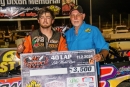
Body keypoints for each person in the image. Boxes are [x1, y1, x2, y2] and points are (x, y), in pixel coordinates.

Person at [65, 5, 109, 75]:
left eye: (78, 15)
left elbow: (105, 48)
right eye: (73, 15)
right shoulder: (66, 34)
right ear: (70, 17)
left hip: (91, 74)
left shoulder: (93, 30)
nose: (75, 18)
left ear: (83, 16)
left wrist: (100, 56)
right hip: (72, 75)